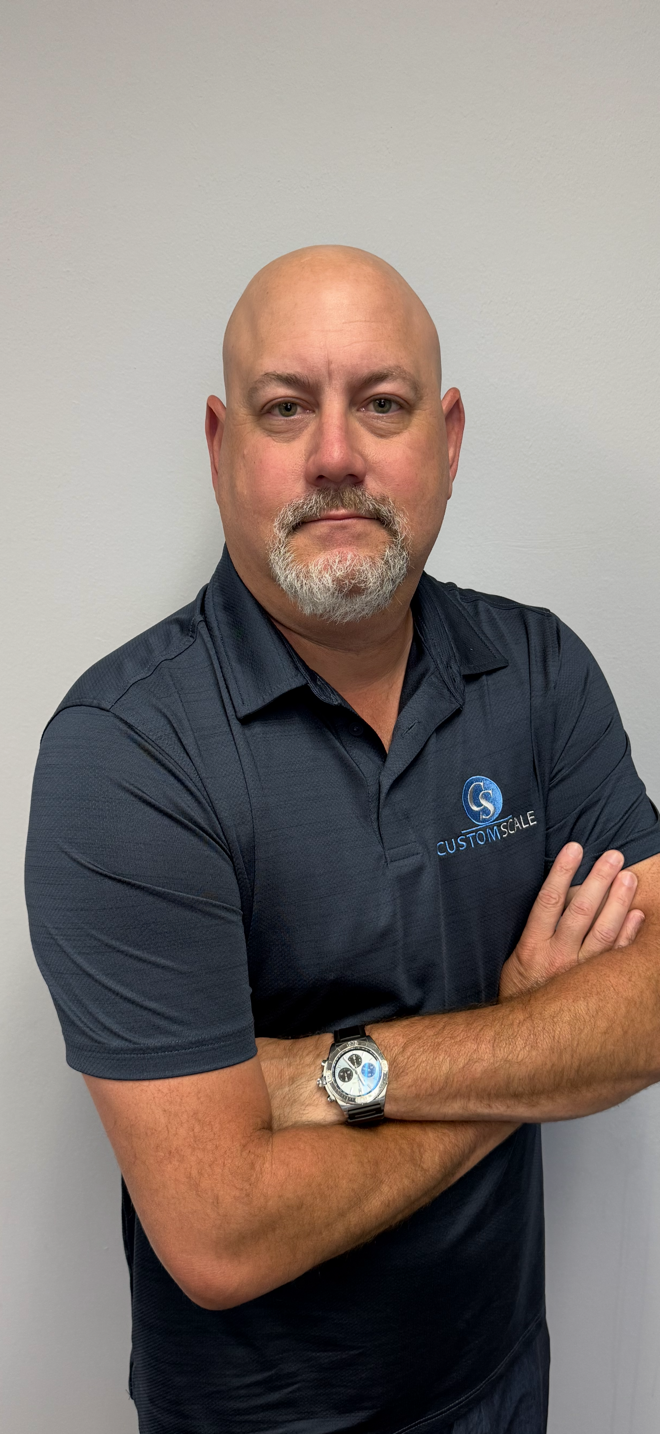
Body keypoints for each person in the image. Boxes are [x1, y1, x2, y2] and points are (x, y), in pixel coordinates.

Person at [25, 245, 660, 1434]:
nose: (334, 455)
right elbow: (220, 1231)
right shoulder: (127, 753)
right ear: (221, 446)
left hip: (502, 1387)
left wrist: (322, 1076)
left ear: (448, 440)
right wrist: (529, 1038)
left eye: (381, 403)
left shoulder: (540, 674)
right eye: (285, 408)